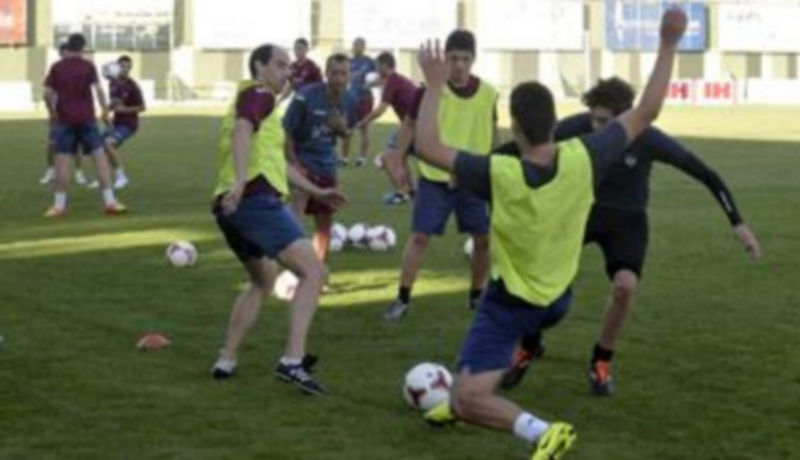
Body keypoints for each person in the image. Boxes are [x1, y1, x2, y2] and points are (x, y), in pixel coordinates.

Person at [415, 9, 687, 459]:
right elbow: (647, 111)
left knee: (466, 396)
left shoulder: (499, 172)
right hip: (557, 297)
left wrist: (433, 86)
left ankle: (539, 431)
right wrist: (669, 43)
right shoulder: (586, 155)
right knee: (477, 352)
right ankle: (470, 388)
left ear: (517, 128)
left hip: (512, 302)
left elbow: (427, 148)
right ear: (553, 122)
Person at [501, 77, 763, 395]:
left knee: (625, 287)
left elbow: (705, 173)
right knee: (542, 279)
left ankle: (600, 362)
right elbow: (518, 148)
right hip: (579, 215)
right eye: (594, 118)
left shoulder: (648, 139)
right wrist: (469, 166)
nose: (597, 127)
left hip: (627, 222)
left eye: (606, 121)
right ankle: (528, 346)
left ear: (626, 118)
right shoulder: (577, 126)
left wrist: (737, 222)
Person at [210, 44, 347, 395]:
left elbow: (276, 162)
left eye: (289, 66)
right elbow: (242, 130)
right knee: (314, 272)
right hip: (255, 201)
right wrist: (241, 182)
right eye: (280, 64)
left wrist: (316, 192)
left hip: (230, 206)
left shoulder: (254, 99)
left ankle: (226, 358)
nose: (287, 72)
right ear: (259, 66)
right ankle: (292, 361)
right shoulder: (260, 95)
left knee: (262, 281)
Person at [383, 30, 498, 320]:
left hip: (472, 180)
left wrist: (492, 171)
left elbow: (492, 135)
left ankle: (476, 296)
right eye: (452, 58)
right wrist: (397, 158)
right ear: (444, 59)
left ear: (474, 59)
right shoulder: (429, 91)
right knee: (419, 237)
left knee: (483, 240)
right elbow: (409, 126)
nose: (458, 64)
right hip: (435, 178)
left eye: (464, 58)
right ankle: (403, 299)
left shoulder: (488, 93)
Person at [284, 53, 357, 264]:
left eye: (344, 74)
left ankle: (317, 272)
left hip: (327, 167)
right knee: (294, 221)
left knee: (324, 226)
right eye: (334, 73)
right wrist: (295, 164)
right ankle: (291, 268)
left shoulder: (350, 99)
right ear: (326, 73)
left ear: (349, 75)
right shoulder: (305, 96)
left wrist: (341, 128)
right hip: (303, 164)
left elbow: (347, 133)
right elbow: (286, 131)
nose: (339, 78)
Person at [42, 33, 126, 217]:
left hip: (64, 120)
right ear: (82, 48)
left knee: (62, 163)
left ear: (68, 47)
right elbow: (98, 90)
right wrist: (104, 111)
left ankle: (59, 206)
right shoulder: (88, 66)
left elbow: (47, 94)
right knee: (100, 160)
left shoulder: (57, 67)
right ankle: (110, 202)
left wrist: (52, 113)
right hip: (87, 119)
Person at [354, 51, 418, 205]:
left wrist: (364, 122)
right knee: (400, 156)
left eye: (377, 66)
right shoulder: (396, 79)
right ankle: (411, 191)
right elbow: (380, 82)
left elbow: (381, 109)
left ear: (384, 66)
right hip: (417, 124)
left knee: (389, 156)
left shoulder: (392, 81)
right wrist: (368, 85)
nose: (376, 70)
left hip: (413, 126)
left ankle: (401, 193)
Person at [91, 55, 145, 190]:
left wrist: (125, 110)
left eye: (128, 67)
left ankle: (122, 177)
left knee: (108, 144)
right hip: (116, 123)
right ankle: (102, 178)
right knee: (99, 150)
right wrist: (106, 111)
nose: (125, 69)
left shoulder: (132, 86)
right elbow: (115, 102)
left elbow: (142, 107)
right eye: (122, 66)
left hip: (129, 125)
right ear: (116, 67)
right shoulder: (113, 83)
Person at [40, 42, 88, 187]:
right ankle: (51, 171)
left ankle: (79, 173)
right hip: (59, 114)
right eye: (63, 52)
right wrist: (51, 112)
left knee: (77, 145)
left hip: (77, 113)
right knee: (51, 144)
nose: (66, 55)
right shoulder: (56, 69)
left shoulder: (80, 69)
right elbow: (47, 93)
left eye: (68, 52)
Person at [340, 37, 376, 167]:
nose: (357, 47)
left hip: (366, 99)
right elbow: (343, 79)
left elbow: (380, 77)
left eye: (360, 45)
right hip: (351, 99)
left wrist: (371, 84)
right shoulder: (348, 62)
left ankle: (362, 158)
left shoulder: (370, 62)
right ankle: (344, 158)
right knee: (346, 128)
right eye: (355, 45)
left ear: (364, 47)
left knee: (364, 129)